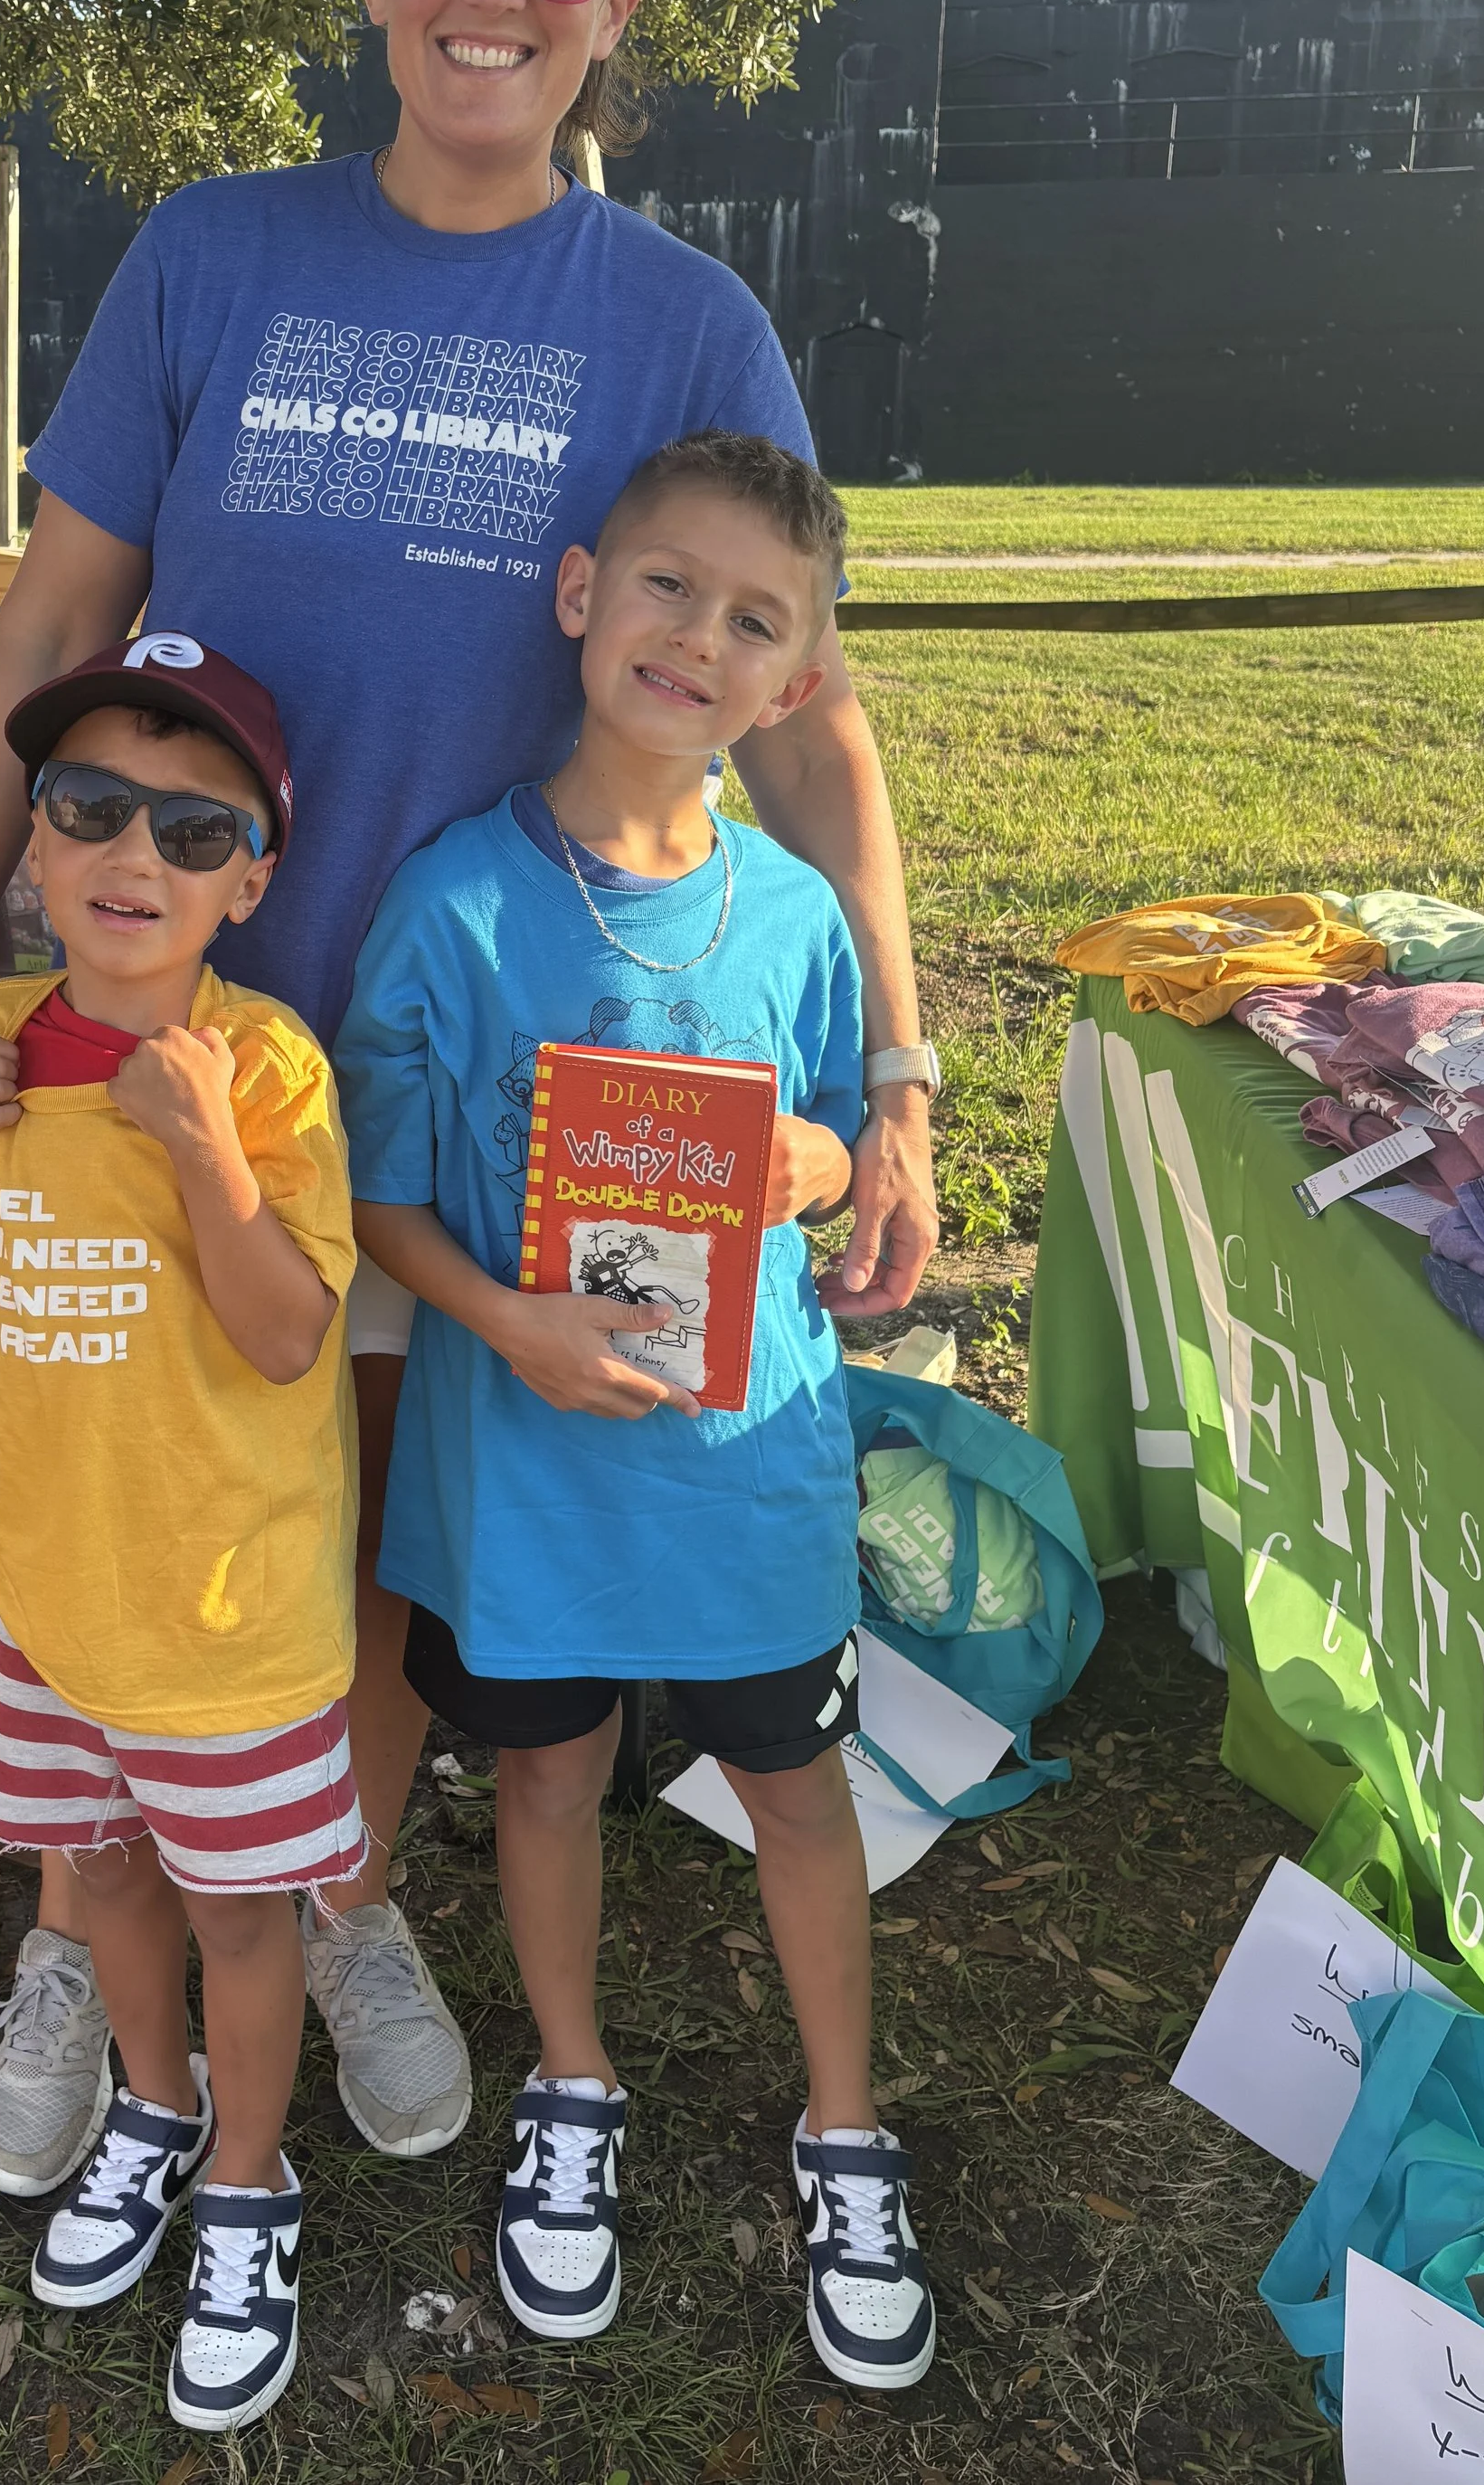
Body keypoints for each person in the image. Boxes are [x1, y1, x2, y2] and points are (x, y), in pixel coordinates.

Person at [0, 0, 941, 2205]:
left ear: (616, 8)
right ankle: (86, 1917)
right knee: (114, 1466)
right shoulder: (210, 252)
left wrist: (892, 1069)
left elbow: (813, 714)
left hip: (471, 1084)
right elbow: (50, 619)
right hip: (158, 1036)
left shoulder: (681, 319)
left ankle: (322, 1885)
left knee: (348, 1518)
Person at [333, 431, 937, 2390]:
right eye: (667, 586)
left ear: (796, 681)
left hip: (741, 1472)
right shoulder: (452, 906)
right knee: (541, 1776)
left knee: (790, 1786)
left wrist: (810, 1176)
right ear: (579, 591)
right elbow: (379, 1193)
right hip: (526, 1477)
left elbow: (841, 1130)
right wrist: (498, 1314)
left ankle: (843, 2124)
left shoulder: (792, 919)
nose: (699, 637)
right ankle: (570, 2085)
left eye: (754, 620)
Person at [0, 637, 355, 2435]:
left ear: (248, 877)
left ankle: (247, 2181)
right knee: (103, 1888)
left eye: (189, 826)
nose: (130, 854)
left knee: (239, 1910)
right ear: (32, 848)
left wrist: (207, 1160)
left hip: (221, 1619)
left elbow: (285, 1332)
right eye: (88, 806)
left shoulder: (263, 1067)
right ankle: (149, 2112)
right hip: (49, 1594)